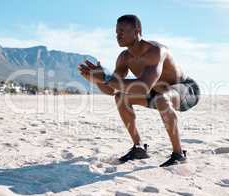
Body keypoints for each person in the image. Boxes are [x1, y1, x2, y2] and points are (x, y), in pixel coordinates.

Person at [78, 14, 200, 167]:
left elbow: (144, 86)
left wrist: (108, 78)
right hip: (158, 92)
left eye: (122, 31)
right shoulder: (124, 58)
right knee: (121, 97)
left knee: (163, 98)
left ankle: (179, 153)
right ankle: (139, 148)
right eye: (116, 32)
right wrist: (97, 80)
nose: (118, 35)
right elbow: (112, 90)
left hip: (186, 90)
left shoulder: (155, 51)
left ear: (137, 31)